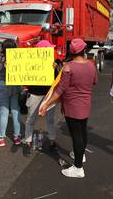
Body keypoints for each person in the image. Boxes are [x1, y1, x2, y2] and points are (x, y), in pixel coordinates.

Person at [39, 38, 98, 179]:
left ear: (71, 52)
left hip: (72, 106)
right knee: (82, 132)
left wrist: (46, 104)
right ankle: (81, 155)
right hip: (85, 104)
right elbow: (94, 81)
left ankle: (78, 168)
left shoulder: (68, 67)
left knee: (76, 135)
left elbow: (60, 90)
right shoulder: (91, 65)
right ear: (84, 50)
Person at [24, 40, 60, 154]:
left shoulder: (54, 62)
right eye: (48, 48)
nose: (51, 50)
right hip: (34, 93)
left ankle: (52, 141)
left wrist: (56, 69)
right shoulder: (30, 62)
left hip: (49, 95)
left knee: (50, 119)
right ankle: (28, 142)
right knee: (31, 119)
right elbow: (22, 74)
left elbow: (59, 79)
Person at [0, 39, 22, 147]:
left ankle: (1, 138)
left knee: (3, 112)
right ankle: (17, 137)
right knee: (15, 111)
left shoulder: (0, 59)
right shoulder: (19, 59)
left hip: (2, 85)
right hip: (15, 85)